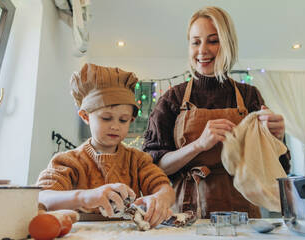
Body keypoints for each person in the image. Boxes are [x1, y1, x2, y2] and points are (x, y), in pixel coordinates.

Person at [142, 6, 290, 218]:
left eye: (213, 40)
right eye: (196, 42)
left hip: (242, 210)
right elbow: (156, 168)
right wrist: (198, 145)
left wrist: (276, 138)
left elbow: (274, 169)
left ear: (228, 44)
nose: (202, 50)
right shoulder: (172, 98)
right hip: (184, 211)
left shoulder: (249, 96)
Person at [37, 63, 175, 227]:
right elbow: (41, 197)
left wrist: (160, 199)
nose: (115, 126)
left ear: (131, 120)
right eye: (106, 118)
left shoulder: (138, 160)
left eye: (123, 120)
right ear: (85, 116)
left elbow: (164, 188)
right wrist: (85, 197)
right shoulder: (68, 161)